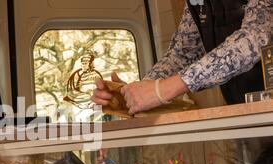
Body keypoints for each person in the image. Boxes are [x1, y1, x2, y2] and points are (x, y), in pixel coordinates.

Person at [93, 0, 273, 114]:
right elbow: (183, 53)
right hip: (248, 116)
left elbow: (255, 38)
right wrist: (134, 94)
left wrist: (163, 90)